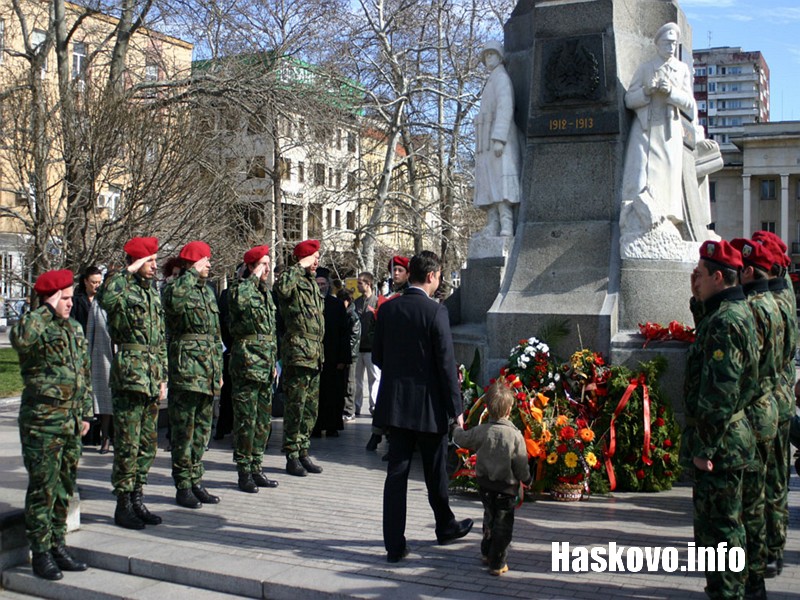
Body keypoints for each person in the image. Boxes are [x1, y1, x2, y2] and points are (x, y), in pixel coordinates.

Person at [372, 250, 473, 563]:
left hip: (396, 406)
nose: (439, 280)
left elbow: (377, 356)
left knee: (396, 473)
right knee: (435, 472)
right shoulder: (435, 312)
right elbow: (445, 363)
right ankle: (444, 526)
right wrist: (456, 407)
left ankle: (394, 544)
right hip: (429, 407)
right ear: (431, 276)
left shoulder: (387, 309)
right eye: (439, 275)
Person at [681, 240, 758, 600]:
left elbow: (720, 392)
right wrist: (697, 299)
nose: (695, 277)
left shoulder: (726, 323)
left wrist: (705, 446)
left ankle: (728, 595)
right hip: (727, 439)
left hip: (721, 444)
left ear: (717, 276)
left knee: (721, 532)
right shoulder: (727, 312)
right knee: (719, 531)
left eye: (700, 273)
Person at [11, 269, 92, 580]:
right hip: (42, 423)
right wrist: (46, 308)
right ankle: (40, 551)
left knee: (64, 487)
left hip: (70, 422)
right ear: (51, 297)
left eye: (72, 298)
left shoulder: (73, 328)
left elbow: (81, 373)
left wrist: (85, 413)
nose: (71, 303)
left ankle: (58, 543)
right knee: (42, 488)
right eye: (66, 298)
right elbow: (20, 340)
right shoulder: (35, 325)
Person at [98, 237, 168, 529]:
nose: (155, 266)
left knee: (146, 443)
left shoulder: (150, 293)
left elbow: (159, 338)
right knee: (127, 442)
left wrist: (163, 375)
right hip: (130, 375)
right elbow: (105, 298)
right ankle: (123, 503)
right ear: (137, 262)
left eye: (154, 260)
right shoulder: (121, 287)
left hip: (151, 376)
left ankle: (138, 497)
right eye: (150, 261)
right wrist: (130, 269)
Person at [730, 238, 783, 599]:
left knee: (750, 500)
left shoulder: (753, 309)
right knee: (766, 490)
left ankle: (753, 575)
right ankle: (765, 561)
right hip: (771, 403)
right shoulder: (777, 302)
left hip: (753, 410)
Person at [163, 240, 223, 508]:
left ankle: (196, 479)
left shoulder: (208, 292)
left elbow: (215, 335)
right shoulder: (175, 287)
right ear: (193, 262)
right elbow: (174, 304)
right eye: (205, 259)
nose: (209, 264)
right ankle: (183, 484)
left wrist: (217, 370)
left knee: (201, 430)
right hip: (186, 370)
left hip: (207, 371)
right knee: (183, 431)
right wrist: (189, 271)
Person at [751, 231, 797, 579]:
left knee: (765, 483)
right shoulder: (786, 296)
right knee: (777, 479)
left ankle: (764, 552)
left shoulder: (764, 305)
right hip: (782, 398)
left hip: (766, 402)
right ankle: (774, 548)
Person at [621, 23, 695, 231]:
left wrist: (671, 91)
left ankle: (665, 220)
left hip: (669, 131)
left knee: (667, 176)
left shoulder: (681, 70)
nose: (671, 47)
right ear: (658, 44)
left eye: (674, 43)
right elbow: (628, 99)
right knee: (639, 174)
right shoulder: (645, 68)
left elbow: (689, 103)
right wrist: (646, 91)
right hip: (645, 128)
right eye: (667, 43)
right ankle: (635, 216)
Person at [453, 381, 531, 576]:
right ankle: (497, 561)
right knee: (503, 525)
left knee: (489, 517)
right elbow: (520, 463)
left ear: (487, 408)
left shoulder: (482, 431)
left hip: (485, 485)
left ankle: (486, 551)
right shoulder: (515, 436)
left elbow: (463, 439)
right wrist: (527, 479)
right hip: (506, 488)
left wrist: (456, 428)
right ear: (510, 409)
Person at [228, 245, 279, 493]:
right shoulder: (239, 289)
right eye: (262, 264)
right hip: (247, 363)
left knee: (262, 421)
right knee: (245, 421)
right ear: (250, 267)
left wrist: (274, 362)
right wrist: (253, 276)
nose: (267, 269)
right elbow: (238, 304)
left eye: (268, 265)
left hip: (265, 364)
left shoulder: (266, 294)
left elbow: (270, 332)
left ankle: (257, 466)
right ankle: (244, 470)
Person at [274, 239, 325, 477]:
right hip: (297, 353)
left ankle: (303, 450)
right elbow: (280, 288)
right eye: (314, 257)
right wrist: (298, 265)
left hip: (314, 354)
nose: (317, 261)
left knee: (310, 408)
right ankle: (291, 455)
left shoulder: (312, 284)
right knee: (295, 406)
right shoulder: (291, 279)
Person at [473, 40, 520, 237]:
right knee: (488, 183)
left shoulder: (501, 78)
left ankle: (506, 224)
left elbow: (505, 106)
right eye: (485, 56)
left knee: (502, 183)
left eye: (491, 54)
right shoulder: (492, 79)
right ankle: (492, 223)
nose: (488, 58)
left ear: (499, 56)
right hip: (486, 140)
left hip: (497, 139)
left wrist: (499, 138)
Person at [312, 267, 349, 438]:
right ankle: (316, 426)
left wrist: (343, 358)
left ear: (328, 285)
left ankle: (333, 425)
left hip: (334, 357)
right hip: (315, 357)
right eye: (318, 284)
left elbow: (344, 333)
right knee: (317, 394)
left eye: (323, 283)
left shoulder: (337, 305)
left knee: (334, 393)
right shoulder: (310, 304)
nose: (321, 287)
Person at [86, 278, 114, 455]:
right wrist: (87, 360)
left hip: (124, 358)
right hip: (102, 357)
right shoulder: (98, 303)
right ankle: (105, 438)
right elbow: (90, 333)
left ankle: (119, 437)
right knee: (104, 402)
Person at [353, 272, 379, 419]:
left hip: (371, 348)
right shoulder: (356, 302)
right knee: (357, 380)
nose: (358, 285)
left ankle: (374, 406)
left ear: (368, 284)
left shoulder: (376, 302)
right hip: (358, 348)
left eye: (360, 283)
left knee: (374, 379)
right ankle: (356, 406)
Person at [337, 288, 361, 425]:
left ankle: (349, 409)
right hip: (344, 354)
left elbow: (354, 338)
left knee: (350, 383)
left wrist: (347, 356)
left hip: (351, 356)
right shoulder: (343, 314)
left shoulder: (352, 316)